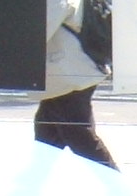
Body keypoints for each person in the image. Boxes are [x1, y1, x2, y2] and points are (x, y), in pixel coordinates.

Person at [36, 0, 116, 168]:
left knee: (79, 136)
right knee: (48, 134)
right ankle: (33, 179)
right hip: (72, 70)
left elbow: (38, 31)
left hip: (68, 73)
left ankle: (114, 181)